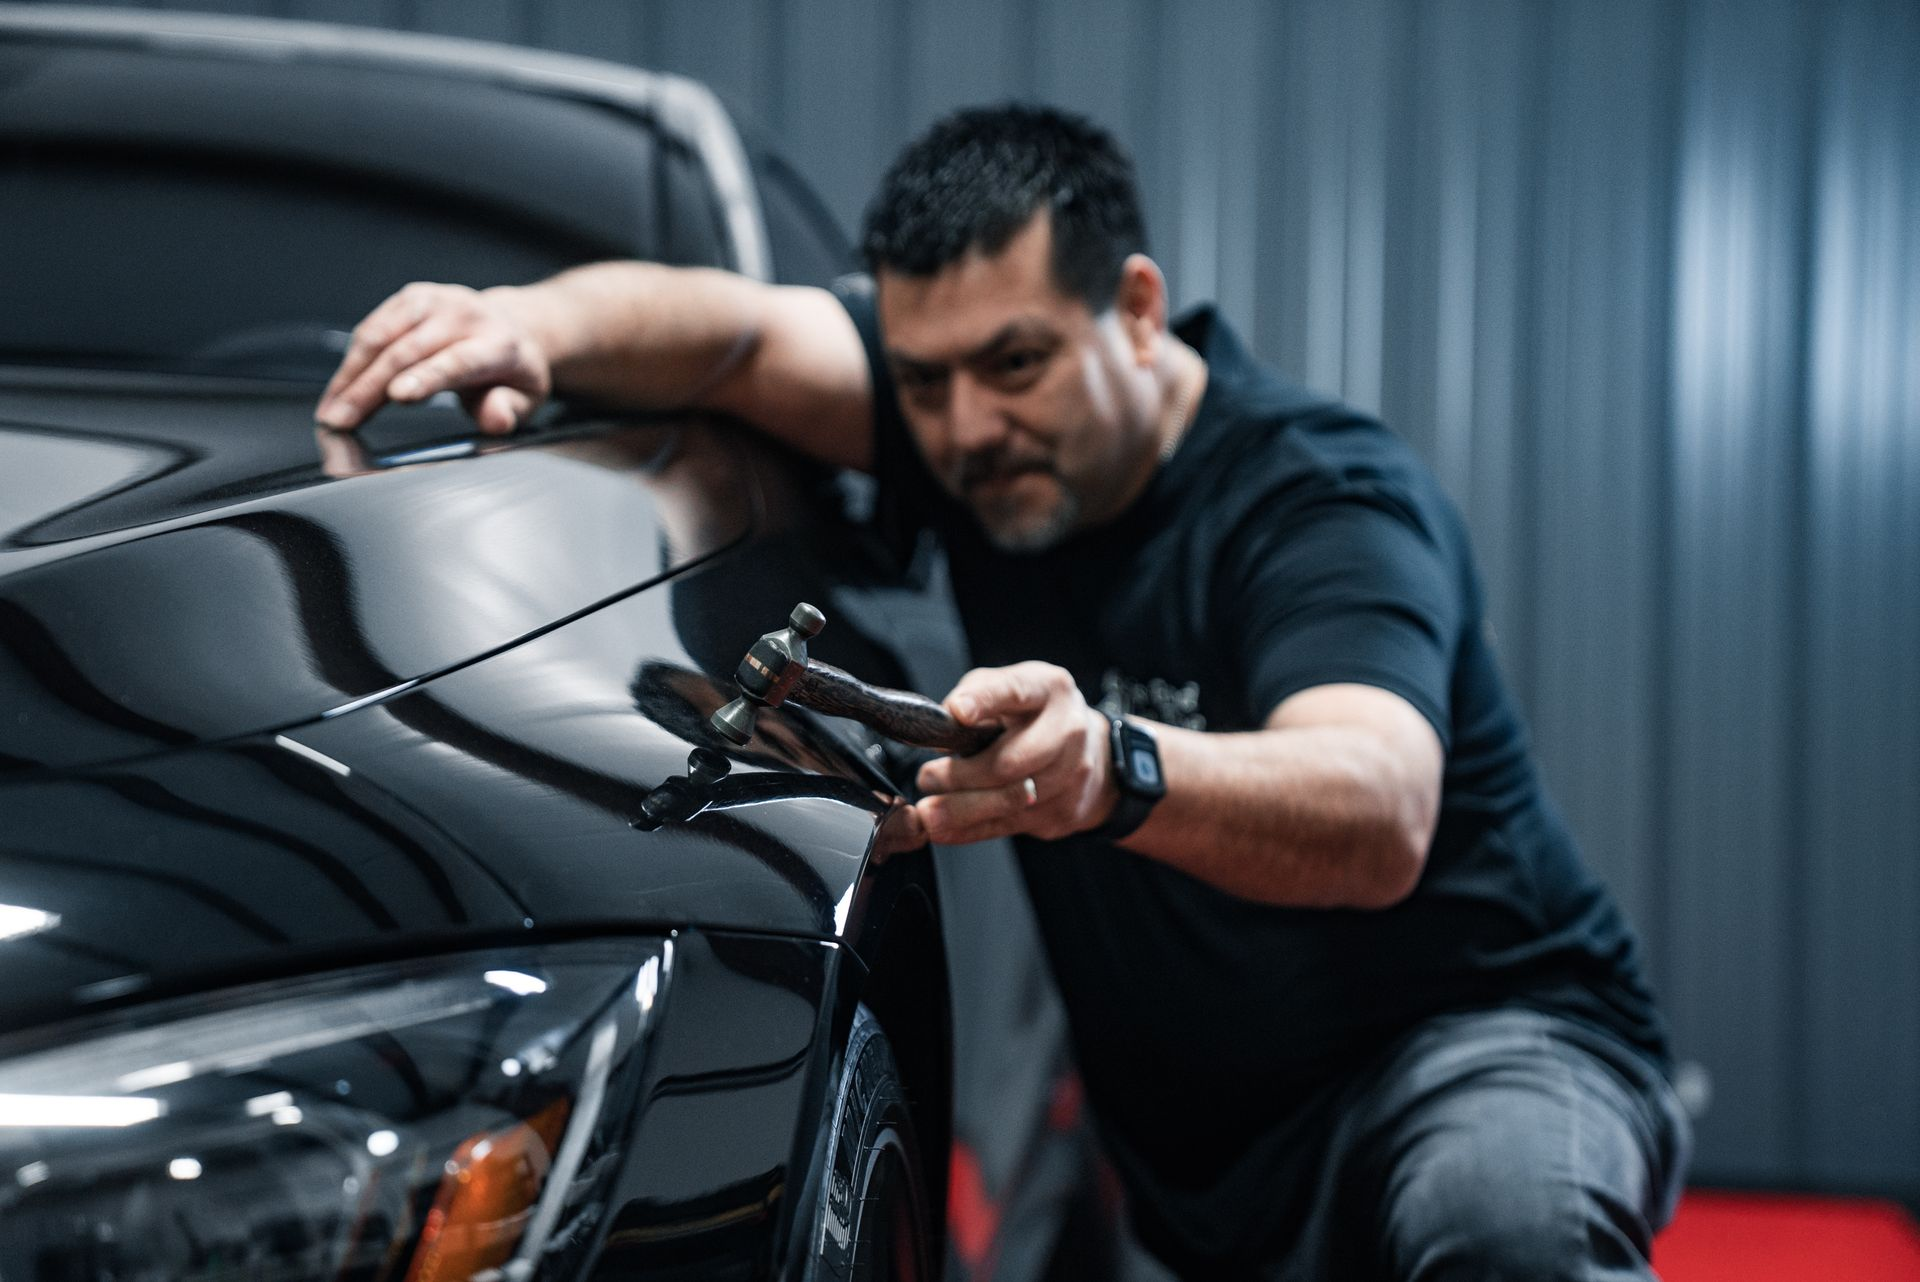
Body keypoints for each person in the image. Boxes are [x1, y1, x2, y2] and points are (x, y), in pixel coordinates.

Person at [316, 105, 1689, 1280]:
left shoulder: (1316, 500)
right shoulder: (975, 435)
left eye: (1016, 365)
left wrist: (1115, 768)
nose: (969, 423)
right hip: (1209, 1152)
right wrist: (525, 325)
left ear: (1136, 312)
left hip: (1473, 1051)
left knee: (1498, 1223)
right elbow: (731, 338)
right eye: (922, 380)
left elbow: (1378, 804)